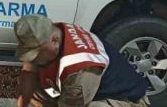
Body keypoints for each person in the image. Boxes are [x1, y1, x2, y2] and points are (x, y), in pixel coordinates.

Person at [14, 15, 149, 107]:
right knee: (35, 92)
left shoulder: (79, 68)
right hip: (79, 91)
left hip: (126, 101)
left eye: (37, 52)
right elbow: (28, 73)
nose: (34, 58)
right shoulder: (52, 32)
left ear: (54, 40)